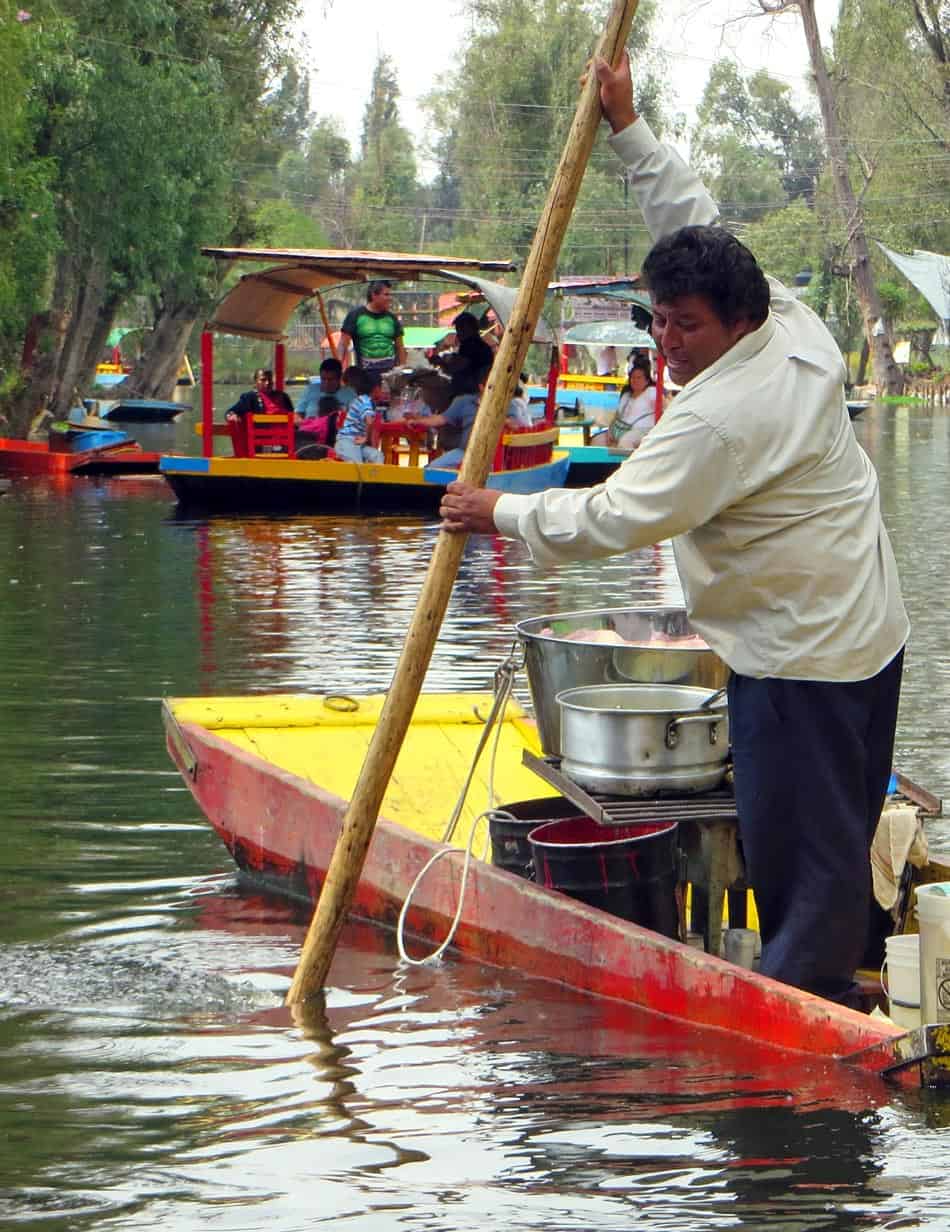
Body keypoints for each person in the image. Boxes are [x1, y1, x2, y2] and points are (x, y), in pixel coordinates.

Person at [437, 51, 909, 1006]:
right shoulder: (793, 322)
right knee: (839, 832)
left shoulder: (720, 416)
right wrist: (628, 123)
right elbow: (689, 218)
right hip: (865, 630)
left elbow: (611, 517)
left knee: (803, 861)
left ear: (736, 323)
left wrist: (499, 510)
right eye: (659, 323)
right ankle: (844, 976)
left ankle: (798, 1028)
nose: (668, 344)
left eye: (684, 328)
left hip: (799, 658)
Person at [339, 280, 407, 378]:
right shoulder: (355, 316)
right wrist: (338, 370)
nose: (389, 298)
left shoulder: (392, 318)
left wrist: (402, 370)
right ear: (374, 295)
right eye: (386, 295)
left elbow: (400, 347)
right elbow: (343, 345)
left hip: (390, 374)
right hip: (365, 375)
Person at [590, 362, 657, 451]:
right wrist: (610, 430)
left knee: (626, 441)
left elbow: (665, 406)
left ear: (647, 380)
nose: (635, 380)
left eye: (639, 378)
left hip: (642, 431)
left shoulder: (652, 392)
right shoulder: (626, 395)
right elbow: (617, 416)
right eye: (633, 377)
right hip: (620, 429)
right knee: (597, 440)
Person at [431, 311, 494, 398]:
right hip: (472, 390)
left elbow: (458, 366)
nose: (458, 333)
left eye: (460, 329)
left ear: (469, 328)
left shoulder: (471, 345)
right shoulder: (479, 345)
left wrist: (441, 363)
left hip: (469, 393)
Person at [334, 367, 384, 463]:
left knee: (377, 456)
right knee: (358, 466)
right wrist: (366, 438)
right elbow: (369, 422)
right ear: (376, 388)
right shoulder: (364, 401)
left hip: (356, 443)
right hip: (348, 442)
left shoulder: (363, 401)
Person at [225, 368, 295, 422]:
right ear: (255, 382)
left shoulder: (283, 396)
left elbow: (294, 417)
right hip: (260, 438)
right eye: (263, 380)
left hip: (285, 438)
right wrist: (232, 416)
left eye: (270, 379)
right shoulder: (249, 398)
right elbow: (231, 412)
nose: (267, 383)